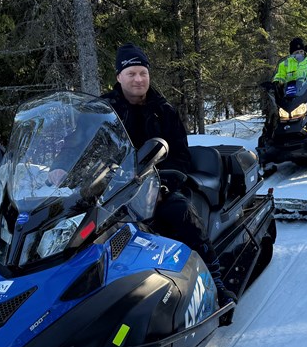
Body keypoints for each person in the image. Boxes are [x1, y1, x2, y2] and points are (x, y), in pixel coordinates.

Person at [102, 43, 237, 317]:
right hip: (112, 188)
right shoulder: (105, 110)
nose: (138, 79)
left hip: (159, 185)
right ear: (119, 77)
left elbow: (180, 156)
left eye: (143, 73)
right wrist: (62, 168)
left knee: (180, 212)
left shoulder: (163, 110)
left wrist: (162, 186)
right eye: (131, 73)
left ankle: (215, 283)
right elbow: (83, 143)